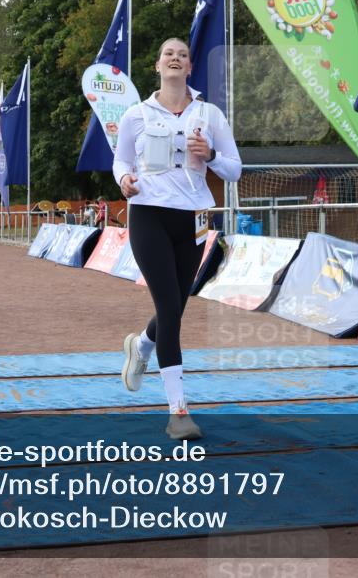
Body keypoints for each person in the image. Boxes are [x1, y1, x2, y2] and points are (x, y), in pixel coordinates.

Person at [113, 37, 242, 440]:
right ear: (157, 65)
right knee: (169, 305)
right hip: (148, 214)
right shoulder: (136, 114)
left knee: (176, 305)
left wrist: (212, 156)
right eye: (168, 53)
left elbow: (235, 169)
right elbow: (121, 160)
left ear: (189, 69)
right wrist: (124, 180)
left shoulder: (210, 114)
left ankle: (142, 346)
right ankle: (178, 411)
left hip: (194, 219)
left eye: (182, 55)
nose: (174, 58)